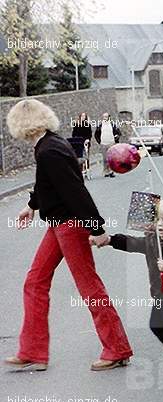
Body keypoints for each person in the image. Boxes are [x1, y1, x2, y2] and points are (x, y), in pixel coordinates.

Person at [4, 99, 132, 372]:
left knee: (89, 287)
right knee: (35, 281)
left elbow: (75, 191)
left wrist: (96, 229)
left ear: (21, 125)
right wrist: (31, 206)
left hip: (70, 225)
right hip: (58, 224)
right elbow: (47, 184)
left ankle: (117, 349)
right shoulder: (50, 144)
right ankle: (33, 351)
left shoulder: (50, 150)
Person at [106, 199, 163, 374]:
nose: (161, 224)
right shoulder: (152, 240)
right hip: (159, 293)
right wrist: (111, 240)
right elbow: (132, 243)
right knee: (156, 325)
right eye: (158, 220)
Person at [94, 113, 121, 178]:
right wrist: (99, 142)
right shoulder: (100, 125)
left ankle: (111, 171)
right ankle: (106, 171)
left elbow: (118, 133)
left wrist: (116, 137)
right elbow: (96, 134)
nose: (105, 118)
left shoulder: (113, 125)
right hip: (103, 143)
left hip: (111, 142)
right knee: (105, 159)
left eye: (106, 116)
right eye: (104, 117)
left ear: (109, 117)